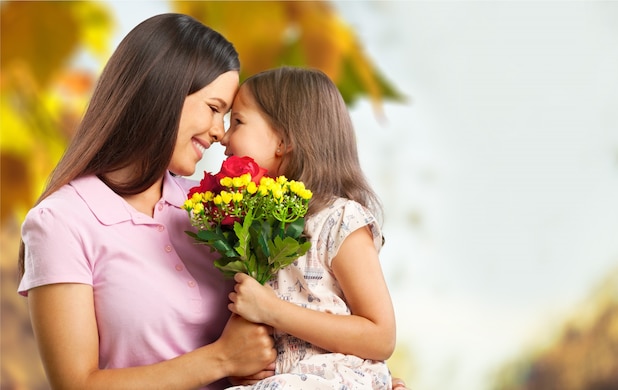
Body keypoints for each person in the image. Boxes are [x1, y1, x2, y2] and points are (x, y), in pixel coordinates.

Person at [16, 13, 276, 390]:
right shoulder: (61, 221)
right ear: (165, 92)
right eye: (214, 108)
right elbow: (75, 384)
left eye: (228, 117)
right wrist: (220, 358)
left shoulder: (205, 204)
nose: (221, 134)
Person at [220, 66, 397, 389]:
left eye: (238, 122)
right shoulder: (252, 227)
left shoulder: (340, 220)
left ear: (283, 141)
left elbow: (381, 336)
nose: (224, 137)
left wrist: (273, 311)